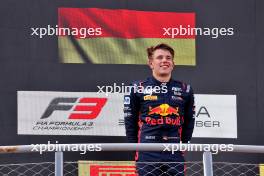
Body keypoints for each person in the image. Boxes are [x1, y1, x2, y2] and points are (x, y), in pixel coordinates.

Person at [124, 43, 195, 176]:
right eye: (159, 57)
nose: (164, 60)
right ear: (151, 63)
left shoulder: (186, 89)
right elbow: (130, 121)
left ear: (173, 64)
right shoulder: (137, 88)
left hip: (174, 150)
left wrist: (183, 145)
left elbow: (189, 121)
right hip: (147, 150)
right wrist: (135, 147)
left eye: (168, 58)